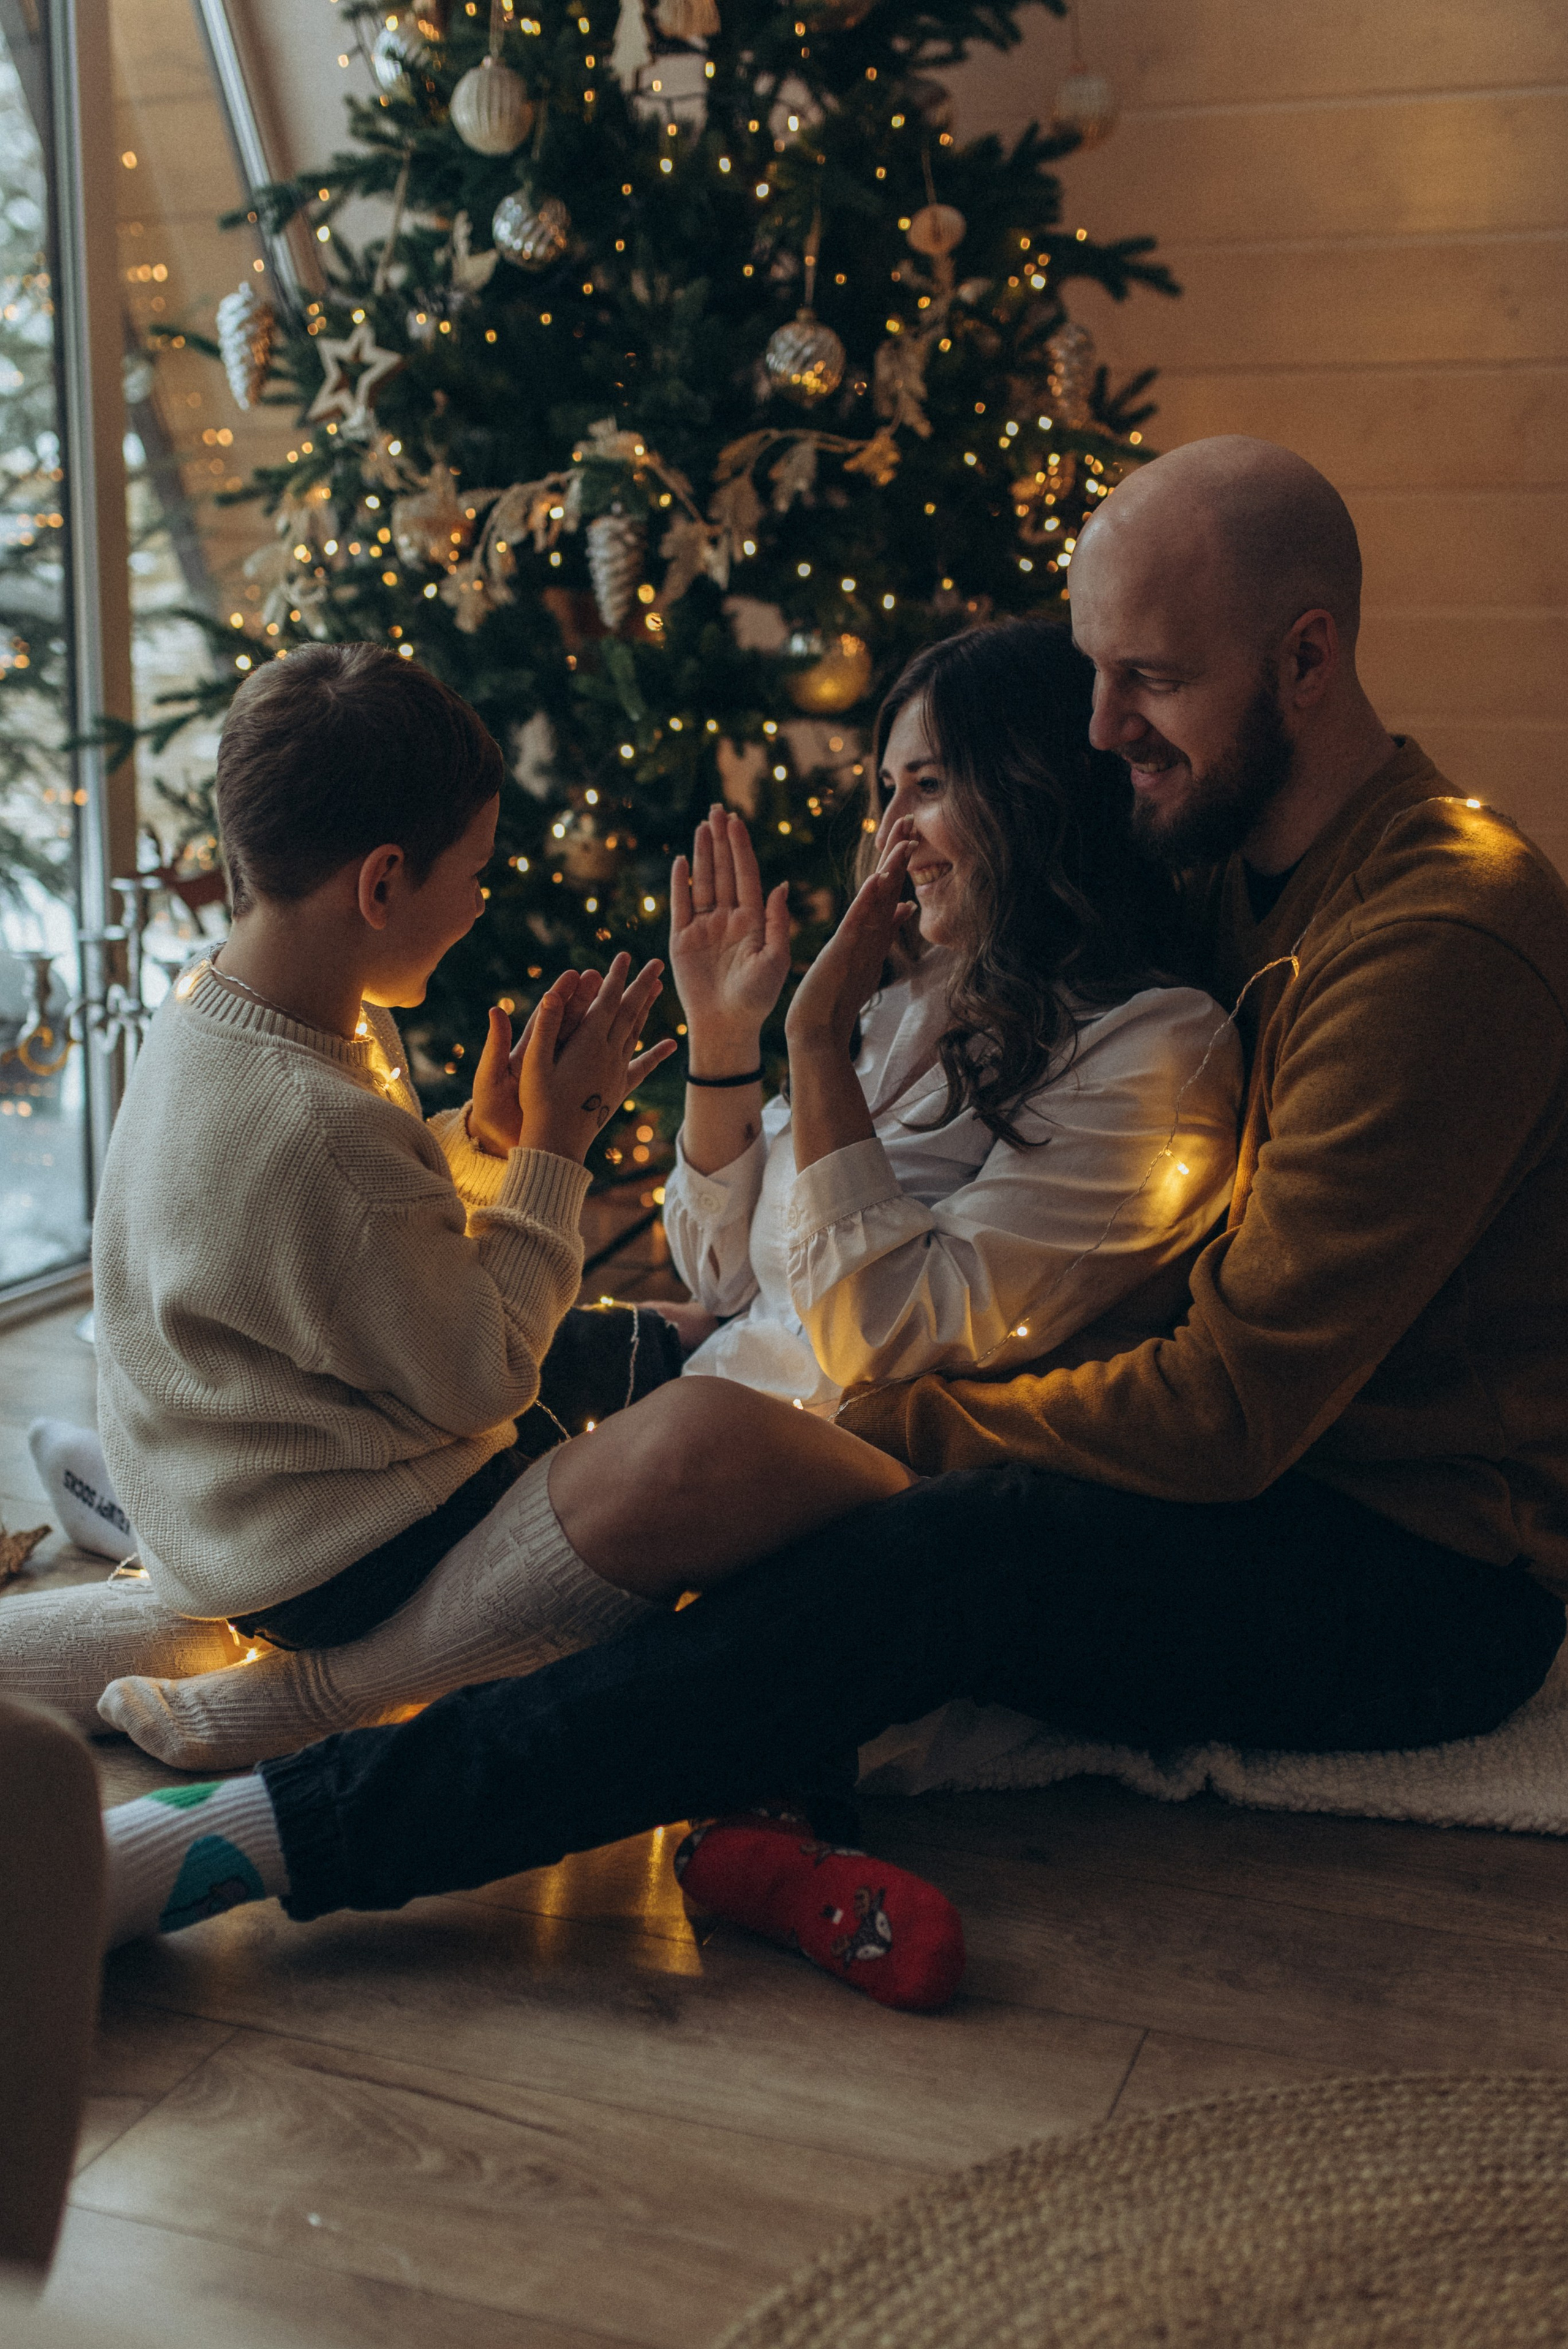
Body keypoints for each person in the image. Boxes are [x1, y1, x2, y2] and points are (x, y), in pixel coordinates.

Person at [94, 435, 1568, 2008]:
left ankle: (252, 1836)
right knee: (656, 1362)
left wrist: (844, 1441)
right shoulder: (1202, 857)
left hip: (1408, 1565)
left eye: (1147, 680)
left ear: (1306, 657)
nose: (1095, 731)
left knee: (924, 1554)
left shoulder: (1436, 943)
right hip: (1184, 1449)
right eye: (1088, 675)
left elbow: (1226, 1415)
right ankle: (250, 1558)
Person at [20, 623, 1239, 1779]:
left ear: (1027, 792)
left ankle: (267, 1628)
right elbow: (718, 1269)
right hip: (507, 1457)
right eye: (884, 791)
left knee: (629, 1372)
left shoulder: (1150, 1050)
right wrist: (724, 1044)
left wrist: (804, 1045)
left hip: (812, 1457)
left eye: (923, 788)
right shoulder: (919, 997)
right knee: (617, 1358)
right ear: (386, 881)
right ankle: (183, 1537)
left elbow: (872, 1329)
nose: (887, 832)